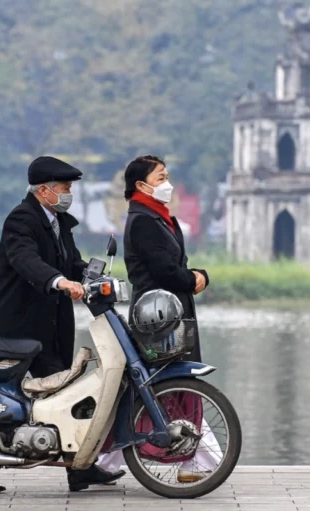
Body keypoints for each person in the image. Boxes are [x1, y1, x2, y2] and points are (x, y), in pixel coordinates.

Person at [0, 156, 125, 493]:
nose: (68, 194)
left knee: (72, 394)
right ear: (44, 190)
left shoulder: (59, 221)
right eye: (64, 189)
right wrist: (60, 281)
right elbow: (26, 260)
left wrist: (94, 278)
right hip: (16, 326)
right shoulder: (21, 219)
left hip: (52, 326)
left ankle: (80, 469)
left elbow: (70, 261)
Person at [97, 155, 222, 483]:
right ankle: (197, 460)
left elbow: (174, 264)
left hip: (170, 311)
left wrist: (196, 275)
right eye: (160, 177)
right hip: (157, 316)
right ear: (141, 185)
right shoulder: (142, 221)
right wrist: (194, 278)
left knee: (153, 387)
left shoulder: (161, 218)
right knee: (165, 385)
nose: (167, 184)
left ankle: (104, 462)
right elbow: (163, 270)